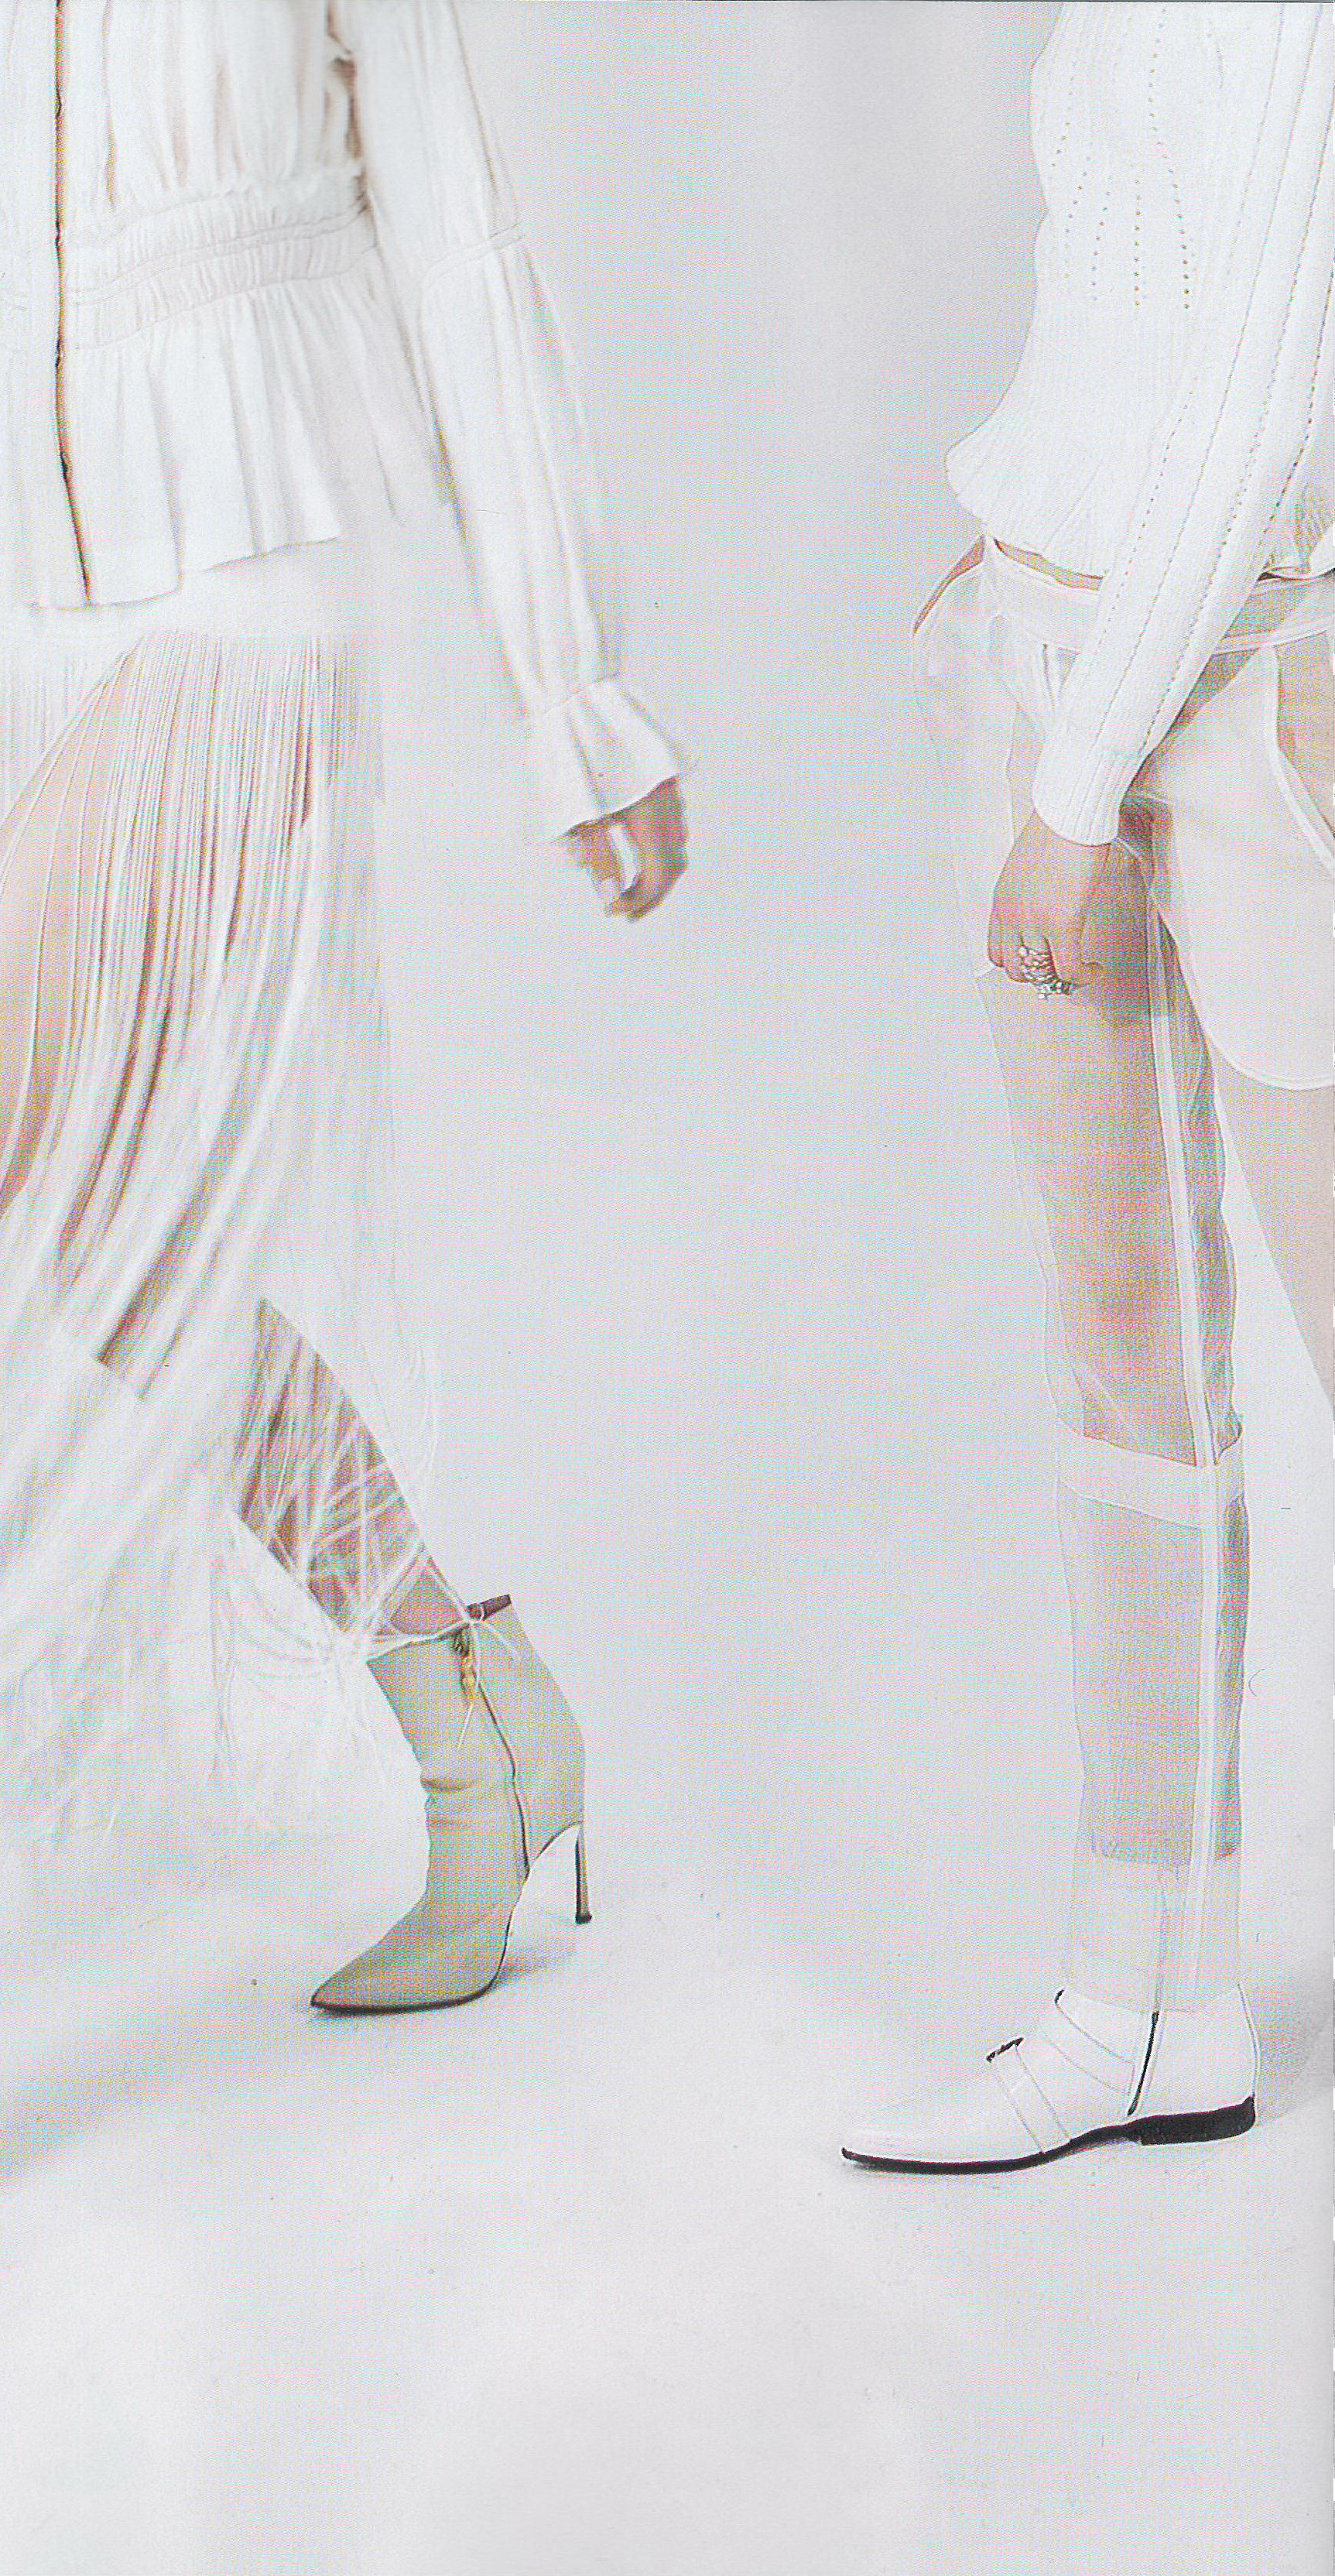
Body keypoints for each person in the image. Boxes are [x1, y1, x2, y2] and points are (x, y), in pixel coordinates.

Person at [0, 0, 686, 2257]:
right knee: (111, 1267)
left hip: (238, 610)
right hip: (13, 645)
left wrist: (573, 693)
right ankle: (474, 1716)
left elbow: (460, 247)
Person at [844, 0, 1333, 2175]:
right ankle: (1143, 2002)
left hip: (1245, 705)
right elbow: (1131, 307)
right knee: (1126, 1359)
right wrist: (1015, 553)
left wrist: (1076, 777)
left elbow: (1261, 399)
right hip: (1057, 677)